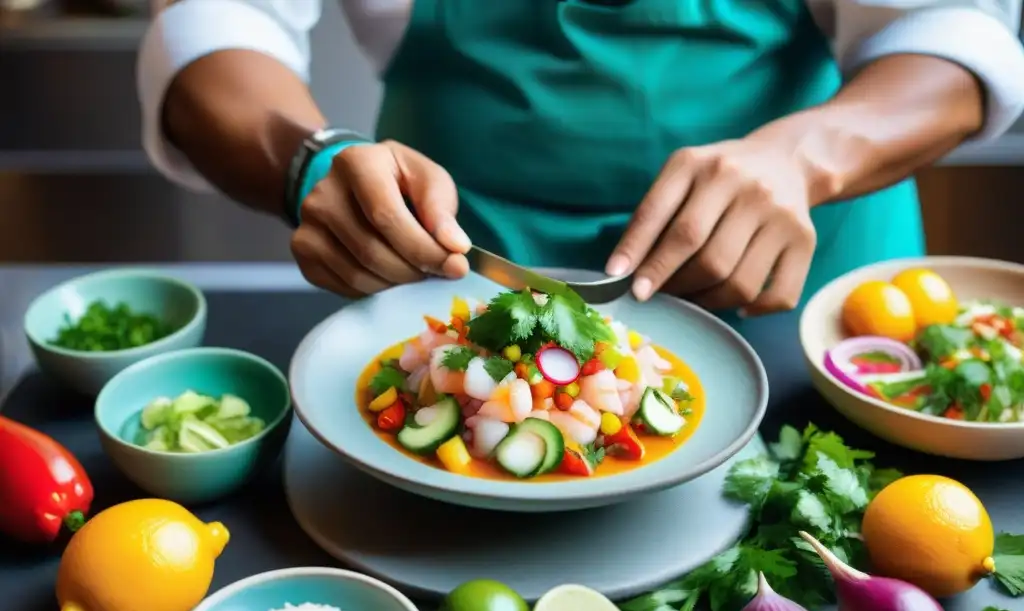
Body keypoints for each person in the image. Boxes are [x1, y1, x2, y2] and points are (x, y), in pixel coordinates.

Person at [138, 0, 1024, 318]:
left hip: (811, 309)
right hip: (456, 300)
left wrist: (805, 155)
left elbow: (949, 32)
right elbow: (218, 24)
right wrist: (311, 161)